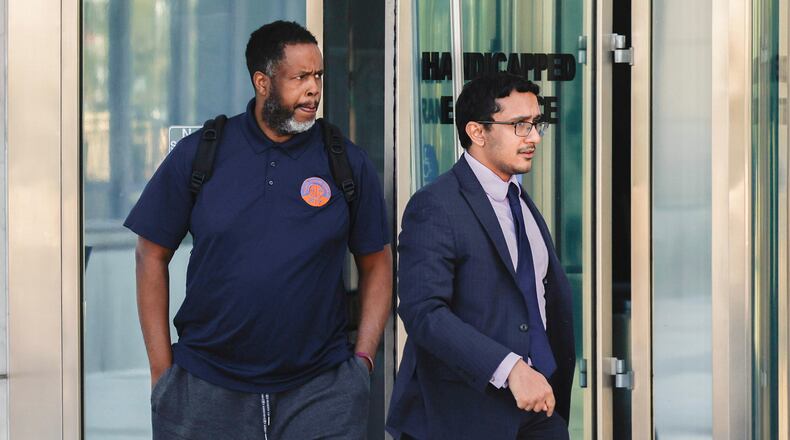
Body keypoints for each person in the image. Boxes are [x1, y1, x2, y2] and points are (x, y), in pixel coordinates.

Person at [125, 20, 392, 440]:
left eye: (318, 75)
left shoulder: (344, 161)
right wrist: (163, 374)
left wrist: (363, 361)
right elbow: (150, 254)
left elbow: (377, 263)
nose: (314, 89)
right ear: (263, 82)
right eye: (300, 77)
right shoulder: (203, 152)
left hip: (321, 391)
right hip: (206, 388)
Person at [386, 72, 575, 439]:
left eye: (536, 124)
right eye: (519, 125)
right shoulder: (436, 205)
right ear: (477, 132)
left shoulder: (519, 201)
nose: (534, 137)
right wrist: (511, 370)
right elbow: (424, 312)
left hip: (538, 409)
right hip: (464, 414)